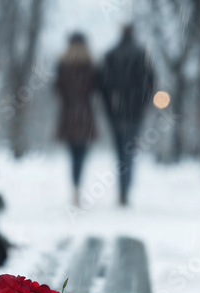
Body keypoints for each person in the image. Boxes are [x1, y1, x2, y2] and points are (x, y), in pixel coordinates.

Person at [98, 25, 154, 205]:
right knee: (129, 151)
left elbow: (102, 86)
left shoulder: (110, 55)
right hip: (134, 112)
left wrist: (109, 108)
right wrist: (143, 104)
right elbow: (150, 81)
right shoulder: (140, 54)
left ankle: (123, 189)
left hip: (116, 112)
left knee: (120, 152)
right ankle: (125, 189)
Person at [55, 33, 97, 206]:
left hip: (69, 116)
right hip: (85, 115)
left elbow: (57, 88)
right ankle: (77, 188)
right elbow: (96, 88)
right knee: (81, 154)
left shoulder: (63, 65)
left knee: (74, 155)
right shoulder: (90, 66)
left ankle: (75, 188)